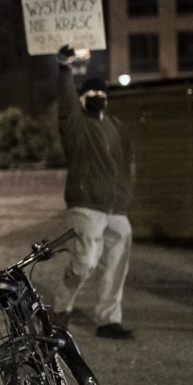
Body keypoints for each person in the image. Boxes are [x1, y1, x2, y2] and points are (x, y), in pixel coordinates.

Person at [54, 56, 136, 339]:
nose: (99, 97)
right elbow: (65, 104)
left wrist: (126, 193)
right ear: (81, 98)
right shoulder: (76, 124)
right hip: (86, 204)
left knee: (116, 265)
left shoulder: (117, 126)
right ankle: (61, 309)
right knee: (85, 262)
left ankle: (108, 320)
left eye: (103, 93)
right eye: (92, 93)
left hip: (116, 208)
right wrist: (65, 70)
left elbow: (127, 162)